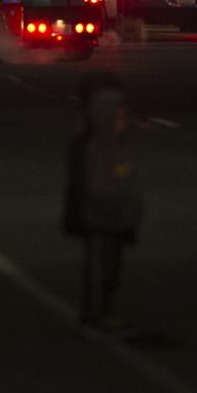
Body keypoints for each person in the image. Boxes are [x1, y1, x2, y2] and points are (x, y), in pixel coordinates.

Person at [62, 74, 142, 330]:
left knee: (111, 267)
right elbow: (98, 186)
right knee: (100, 267)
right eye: (118, 115)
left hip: (115, 216)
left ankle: (101, 309)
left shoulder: (117, 145)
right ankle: (96, 312)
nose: (123, 119)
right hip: (101, 217)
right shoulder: (96, 149)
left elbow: (126, 182)